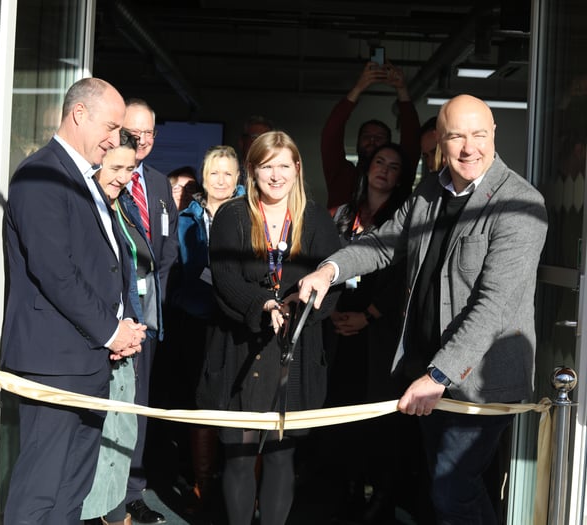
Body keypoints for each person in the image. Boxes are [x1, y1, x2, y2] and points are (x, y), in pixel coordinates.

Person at [298, 94, 548, 525]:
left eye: (479, 135)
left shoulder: (520, 205)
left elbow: (492, 306)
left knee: (454, 489)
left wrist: (438, 375)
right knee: (443, 489)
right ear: (439, 145)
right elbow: (383, 244)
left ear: (494, 136)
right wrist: (330, 270)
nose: (469, 148)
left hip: (478, 384)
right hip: (427, 369)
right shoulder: (430, 190)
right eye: (456, 137)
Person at [0, 77, 146, 525]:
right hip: (55, 363)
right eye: (110, 125)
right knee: (40, 491)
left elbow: (100, 267)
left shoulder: (83, 178)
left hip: (88, 360)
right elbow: (56, 271)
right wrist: (111, 329)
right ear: (79, 114)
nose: (115, 138)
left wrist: (117, 330)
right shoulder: (41, 174)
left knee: (72, 491)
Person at [197, 131, 341, 525]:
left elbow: (333, 283)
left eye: (283, 166)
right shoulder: (232, 216)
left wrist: (304, 306)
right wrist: (262, 304)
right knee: (239, 458)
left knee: (281, 458)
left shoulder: (315, 219)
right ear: (252, 171)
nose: (275, 176)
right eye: (266, 167)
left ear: (297, 168)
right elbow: (225, 279)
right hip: (240, 351)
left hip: (293, 353)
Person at [322, 143, 416, 522]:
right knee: (339, 412)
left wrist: (370, 316)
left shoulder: (404, 216)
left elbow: (406, 276)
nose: (385, 171)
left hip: (379, 329)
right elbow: (325, 262)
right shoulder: (343, 213)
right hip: (338, 324)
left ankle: (379, 498)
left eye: (394, 167)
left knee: (378, 418)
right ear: (367, 167)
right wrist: (330, 313)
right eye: (380, 163)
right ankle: (345, 490)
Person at [82, 133, 161, 525]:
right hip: (96, 343)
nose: (124, 177)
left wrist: (131, 328)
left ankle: (114, 512)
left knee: (121, 435)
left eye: (130, 169)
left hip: (127, 337)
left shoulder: (124, 207)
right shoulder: (83, 208)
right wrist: (112, 332)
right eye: (116, 168)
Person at [169, 146, 244, 516]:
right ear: (204, 175)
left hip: (239, 321)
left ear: (238, 178)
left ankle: (240, 487)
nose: (221, 180)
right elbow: (183, 265)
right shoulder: (187, 215)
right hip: (196, 319)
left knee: (238, 403)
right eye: (214, 172)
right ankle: (203, 485)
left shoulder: (251, 213)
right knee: (201, 402)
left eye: (228, 173)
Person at [121, 98, 179, 524]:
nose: (141, 140)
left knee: (140, 405)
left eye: (148, 133)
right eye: (133, 131)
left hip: (150, 313)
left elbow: (170, 243)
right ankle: (101, 497)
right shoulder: (107, 175)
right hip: (112, 312)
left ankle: (132, 494)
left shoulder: (158, 183)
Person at [321, 61, 421, 209]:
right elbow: (331, 134)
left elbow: (412, 139)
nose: (372, 141)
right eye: (366, 136)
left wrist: (402, 90)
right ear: (357, 143)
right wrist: (358, 88)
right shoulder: (342, 175)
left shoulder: (398, 177)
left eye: (379, 137)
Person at [238, 115, 274, 183]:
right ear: (242, 142)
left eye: (265, 139)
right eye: (255, 137)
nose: (260, 143)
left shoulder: (276, 175)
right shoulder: (229, 171)